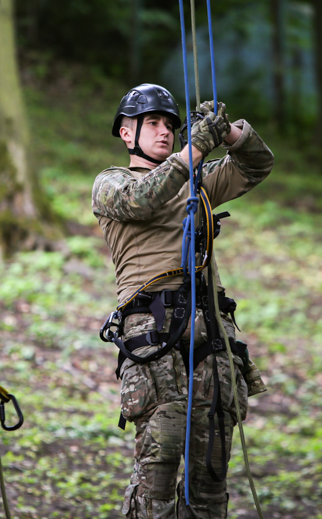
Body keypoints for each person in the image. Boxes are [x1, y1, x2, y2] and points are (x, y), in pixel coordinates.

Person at [92, 83, 273, 518]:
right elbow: (142, 200)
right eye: (152, 123)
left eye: (170, 125)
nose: (164, 131)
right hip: (153, 336)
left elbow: (258, 164)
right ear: (126, 134)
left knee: (211, 477)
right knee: (159, 466)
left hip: (212, 337)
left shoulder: (198, 183)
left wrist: (227, 133)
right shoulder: (112, 183)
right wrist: (194, 151)